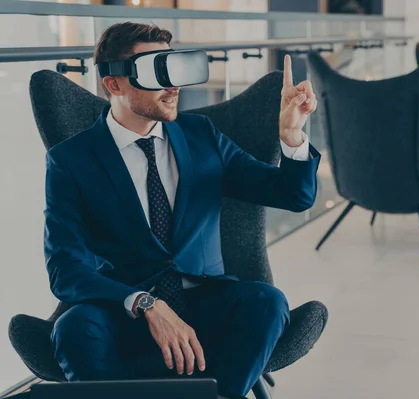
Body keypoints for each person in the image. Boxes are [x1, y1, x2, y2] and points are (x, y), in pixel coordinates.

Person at [44, 22, 320, 399]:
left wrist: (291, 137)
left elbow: (294, 195)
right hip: (123, 311)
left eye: (173, 68)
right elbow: (65, 270)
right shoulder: (71, 160)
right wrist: (145, 304)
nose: (173, 86)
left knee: (266, 302)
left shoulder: (202, 136)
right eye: (157, 72)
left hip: (207, 303)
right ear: (114, 84)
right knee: (74, 326)